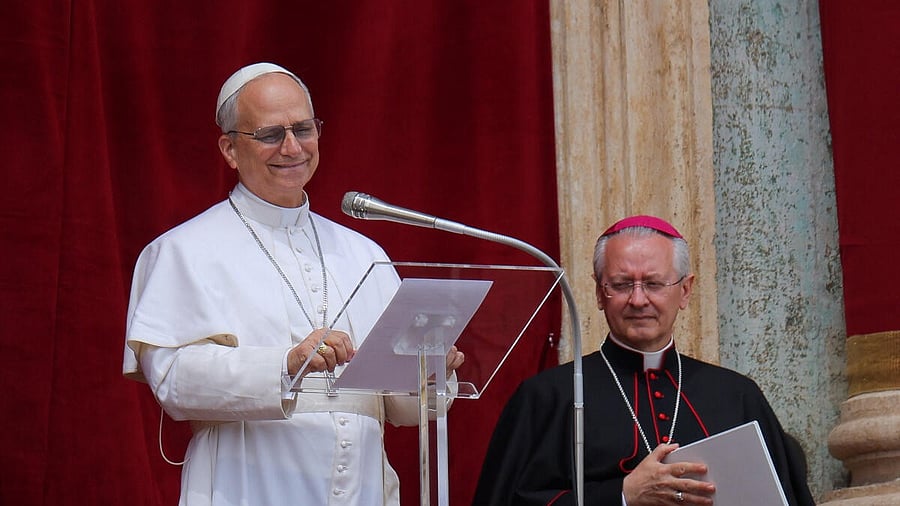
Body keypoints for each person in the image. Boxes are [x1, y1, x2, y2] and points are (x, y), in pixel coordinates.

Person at [122, 62, 464, 506]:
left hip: (364, 490)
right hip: (248, 486)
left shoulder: (364, 253)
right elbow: (174, 382)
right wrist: (286, 363)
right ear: (229, 149)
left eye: (303, 129)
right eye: (270, 134)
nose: (292, 147)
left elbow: (399, 407)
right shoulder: (184, 250)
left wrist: (431, 369)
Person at [473, 215, 814, 505]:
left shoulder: (737, 396)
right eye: (621, 285)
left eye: (653, 283)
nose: (638, 300)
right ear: (598, 293)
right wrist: (621, 495)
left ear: (685, 290)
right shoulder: (547, 397)